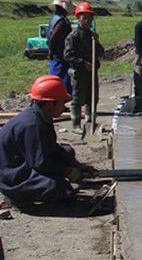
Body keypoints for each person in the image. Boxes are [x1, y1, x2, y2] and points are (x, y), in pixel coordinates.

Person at [0, 76, 97, 206]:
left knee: (67, 151)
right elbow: (41, 163)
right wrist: (66, 171)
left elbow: (51, 147)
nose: (63, 107)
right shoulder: (33, 125)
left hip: (21, 162)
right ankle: (15, 197)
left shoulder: (42, 115)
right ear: (49, 104)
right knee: (57, 186)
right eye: (62, 103)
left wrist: (75, 164)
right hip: (12, 177)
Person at [63, 2, 104, 133]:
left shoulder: (92, 35)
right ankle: (76, 124)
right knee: (77, 98)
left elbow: (101, 53)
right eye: (84, 17)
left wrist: (97, 41)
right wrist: (83, 63)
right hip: (79, 72)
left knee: (92, 97)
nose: (87, 21)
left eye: (90, 18)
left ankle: (90, 121)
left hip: (92, 72)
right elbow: (68, 56)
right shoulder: (73, 36)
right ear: (78, 18)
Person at [47, 0, 76, 96]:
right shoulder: (62, 21)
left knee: (57, 78)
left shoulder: (54, 18)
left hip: (56, 54)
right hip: (60, 55)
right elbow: (54, 37)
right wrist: (51, 49)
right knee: (60, 79)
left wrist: (50, 50)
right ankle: (60, 98)